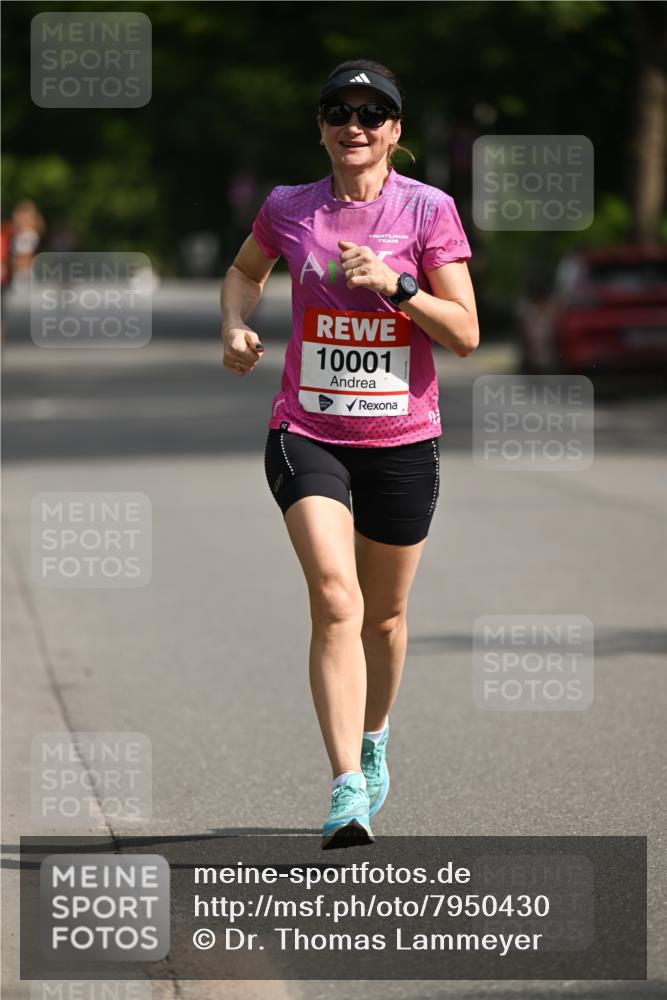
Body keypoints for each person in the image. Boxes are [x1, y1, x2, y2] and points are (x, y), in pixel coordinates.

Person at [220, 59, 478, 850]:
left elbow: (464, 334)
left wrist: (397, 286)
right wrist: (234, 324)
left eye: (372, 115)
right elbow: (244, 270)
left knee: (387, 618)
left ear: (394, 132)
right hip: (306, 431)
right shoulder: (289, 207)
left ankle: (373, 741)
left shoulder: (427, 210)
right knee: (337, 600)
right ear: (322, 128)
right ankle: (344, 790)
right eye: (338, 112)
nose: (353, 126)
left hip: (402, 440)